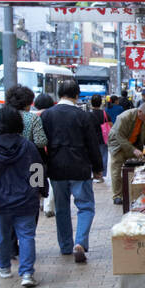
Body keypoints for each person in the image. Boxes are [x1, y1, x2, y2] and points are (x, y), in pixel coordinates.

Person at [0, 105, 47, 288]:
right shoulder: (27, 145)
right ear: (18, 123)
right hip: (25, 199)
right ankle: (27, 273)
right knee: (26, 236)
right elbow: (37, 169)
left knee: (1, 235)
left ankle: (4, 267)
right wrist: (40, 191)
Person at [41, 78, 103, 262]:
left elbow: (40, 144)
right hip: (80, 167)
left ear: (59, 94)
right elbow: (93, 144)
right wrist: (98, 168)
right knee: (85, 207)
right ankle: (80, 243)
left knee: (61, 208)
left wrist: (40, 173)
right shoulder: (83, 116)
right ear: (77, 95)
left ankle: (66, 246)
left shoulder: (47, 115)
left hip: (56, 168)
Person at [107, 100, 145, 204]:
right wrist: (133, 150)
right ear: (139, 111)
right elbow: (119, 136)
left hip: (132, 144)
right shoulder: (124, 117)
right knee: (116, 168)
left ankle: (133, 192)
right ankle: (117, 195)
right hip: (118, 144)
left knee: (135, 168)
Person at [88, 93, 111, 178]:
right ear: (101, 103)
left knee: (91, 156)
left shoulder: (88, 114)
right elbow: (110, 125)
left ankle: (93, 173)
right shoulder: (105, 114)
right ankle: (103, 174)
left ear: (91, 103)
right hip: (103, 138)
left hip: (91, 139)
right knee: (104, 156)